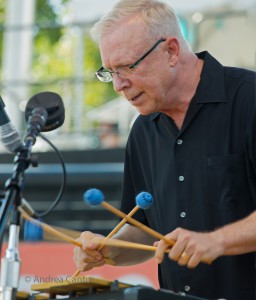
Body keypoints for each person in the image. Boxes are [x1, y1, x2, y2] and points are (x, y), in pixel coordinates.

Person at [73, 0, 256, 299]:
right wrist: (108, 249)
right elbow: (144, 230)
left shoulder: (249, 99)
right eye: (110, 72)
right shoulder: (143, 131)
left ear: (171, 51)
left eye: (127, 67)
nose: (118, 85)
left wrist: (217, 241)